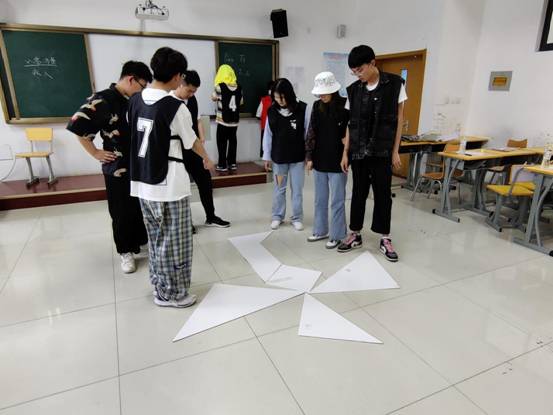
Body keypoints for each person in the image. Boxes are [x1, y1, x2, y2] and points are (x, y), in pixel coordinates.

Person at [128, 47, 214, 308]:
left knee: (156, 239)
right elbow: (192, 142)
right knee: (175, 241)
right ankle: (174, 294)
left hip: (142, 181)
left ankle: (159, 286)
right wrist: (207, 158)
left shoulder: (135, 100)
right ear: (177, 76)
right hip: (169, 184)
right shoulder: (175, 107)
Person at [66, 61, 152, 274]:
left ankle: (140, 241)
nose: (142, 90)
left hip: (137, 164)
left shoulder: (134, 99)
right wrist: (95, 152)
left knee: (137, 206)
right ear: (131, 79)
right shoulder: (102, 99)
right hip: (117, 165)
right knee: (120, 210)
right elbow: (78, 126)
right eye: (142, 85)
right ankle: (125, 251)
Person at [337, 45, 407, 262]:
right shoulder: (353, 90)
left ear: (372, 63)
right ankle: (355, 234)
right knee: (358, 192)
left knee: (382, 194)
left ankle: (385, 238)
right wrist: (345, 152)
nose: (358, 75)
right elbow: (350, 125)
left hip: (382, 150)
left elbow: (399, 120)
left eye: (360, 70)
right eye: (354, 72)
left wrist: (395, 151)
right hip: (358, 151)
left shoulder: (395, 84)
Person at [171, 70, 230, 230]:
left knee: (205, 181)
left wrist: (201, 139)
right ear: (180, 84)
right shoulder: (169, 101)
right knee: (182, 187)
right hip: (177, 151)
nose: (191, 94)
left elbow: (197, 121)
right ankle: (186, 222)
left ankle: (211, 216)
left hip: (194, 148)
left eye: (194, 91)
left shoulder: (192, 99)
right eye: (189, 90)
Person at [305, 72, 349, 249]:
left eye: (324, 92)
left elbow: (350, 132)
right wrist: (309, 157)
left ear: (333, 89)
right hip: (319, 159)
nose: (321, 96)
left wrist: (347, 154)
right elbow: (311, 131)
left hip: (338, 161)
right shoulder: (317, 106)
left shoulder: (345, 105)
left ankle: (337, 235)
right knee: (320, 199)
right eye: (319, 93)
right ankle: (320, 230)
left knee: (337, 200)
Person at [262, 78, 310, 231]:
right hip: (279, 159)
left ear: (289, 94)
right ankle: (277, 216)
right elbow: (268, 135)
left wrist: (309, 156)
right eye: (276, 97)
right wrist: (266, 157)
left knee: (297, 190)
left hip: (297, 158)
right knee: (279, 189)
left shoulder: (303, 108)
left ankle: (297, 217)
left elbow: (308, 134)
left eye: (282, 97)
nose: (279, 101)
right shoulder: (272, 111)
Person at [212, 64, 242, 172]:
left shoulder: (219, 87)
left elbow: (213, 97)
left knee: (221, 142)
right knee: (233, 142)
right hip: (234, 120)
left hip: (223, 121)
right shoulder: (239, 87)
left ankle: (222, 165)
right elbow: (241, 102)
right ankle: (232, 163)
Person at [256, 81, 274, 157]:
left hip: (265, 126)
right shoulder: (279, 100)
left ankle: (264, 156)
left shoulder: (263, 100)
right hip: (275, 127)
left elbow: (258, 115)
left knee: (265, 142)